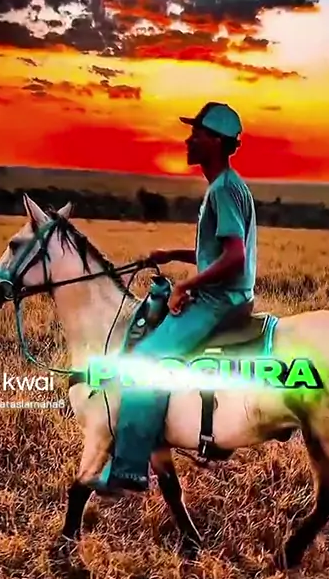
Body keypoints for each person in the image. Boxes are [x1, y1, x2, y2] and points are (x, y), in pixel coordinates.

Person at [88, 101, 258, 494]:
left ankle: (129, 470)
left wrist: (185, 285)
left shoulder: (223, 190)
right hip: (228, 297)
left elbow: (235, 256)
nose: (188, 140)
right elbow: (218, 251)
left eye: (197, 133)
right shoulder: (228, 185)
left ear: (216, 141)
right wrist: (174, 255)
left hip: (220, 302)